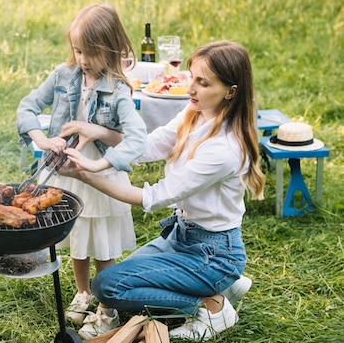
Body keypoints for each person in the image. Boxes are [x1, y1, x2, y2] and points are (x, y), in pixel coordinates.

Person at [60, 40, 265, 340]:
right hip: (183, 237)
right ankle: (220, 286)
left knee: (108, 286)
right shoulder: (196, 113)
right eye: (192, 78)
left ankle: (211, 306)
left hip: (213, 253)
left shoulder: (223, 149)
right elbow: (149, 146)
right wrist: (99, 132)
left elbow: (153, 197)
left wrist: (85, 175)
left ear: (230, 92)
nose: (191, 89)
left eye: (203, 83)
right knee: (111, 280)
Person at [16, 3, 148, 339]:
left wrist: (98, 158)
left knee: (102, 243)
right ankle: (83, 292)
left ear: (111, 50)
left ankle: (107, 305)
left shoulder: (118, 90)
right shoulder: (63, 75)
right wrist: (41, 139)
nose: (83, 59)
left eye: (90, 52)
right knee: (76, 237)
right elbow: (28, 106)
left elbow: (132, 138)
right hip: (66, 172)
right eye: (77, 50)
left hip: (100, 176)